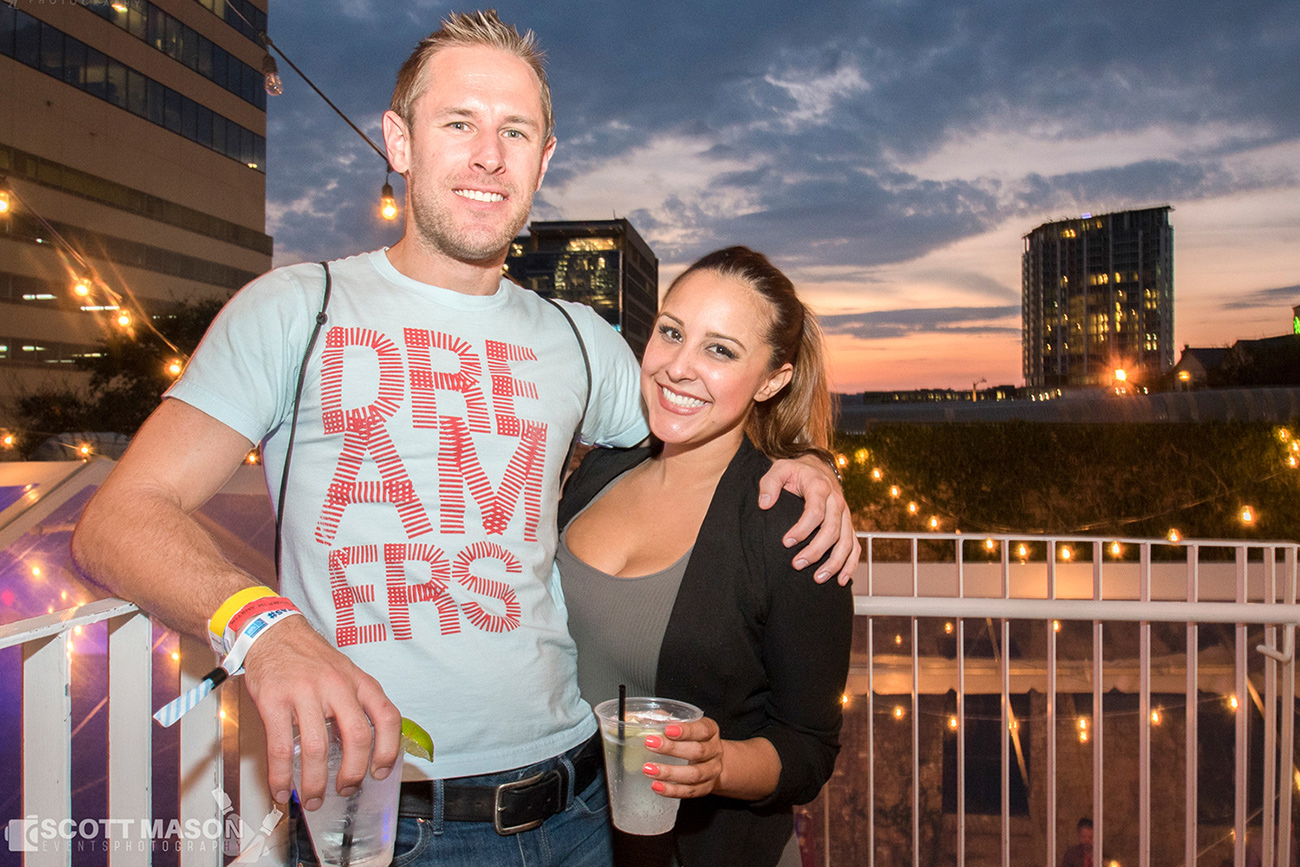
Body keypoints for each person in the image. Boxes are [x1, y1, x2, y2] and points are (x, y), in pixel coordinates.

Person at [70, 10, 860, 866]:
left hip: (583, 808)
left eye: (515, 131)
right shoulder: (297, 309)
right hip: (387, 820)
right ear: (398, 141)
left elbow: (707, 429)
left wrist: (805, 462)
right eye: (459, 123)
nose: (489, 155)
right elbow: (118, 519)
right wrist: (264, 628)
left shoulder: (579, 339)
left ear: (544, 160)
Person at [557, 247, 855, 867]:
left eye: (719, 350)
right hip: (566, 842)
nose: (677, 368)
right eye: (671, 333)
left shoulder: (792, 527)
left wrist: (719, 765)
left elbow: (807, 747)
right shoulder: (600, 472)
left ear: (773, 379)